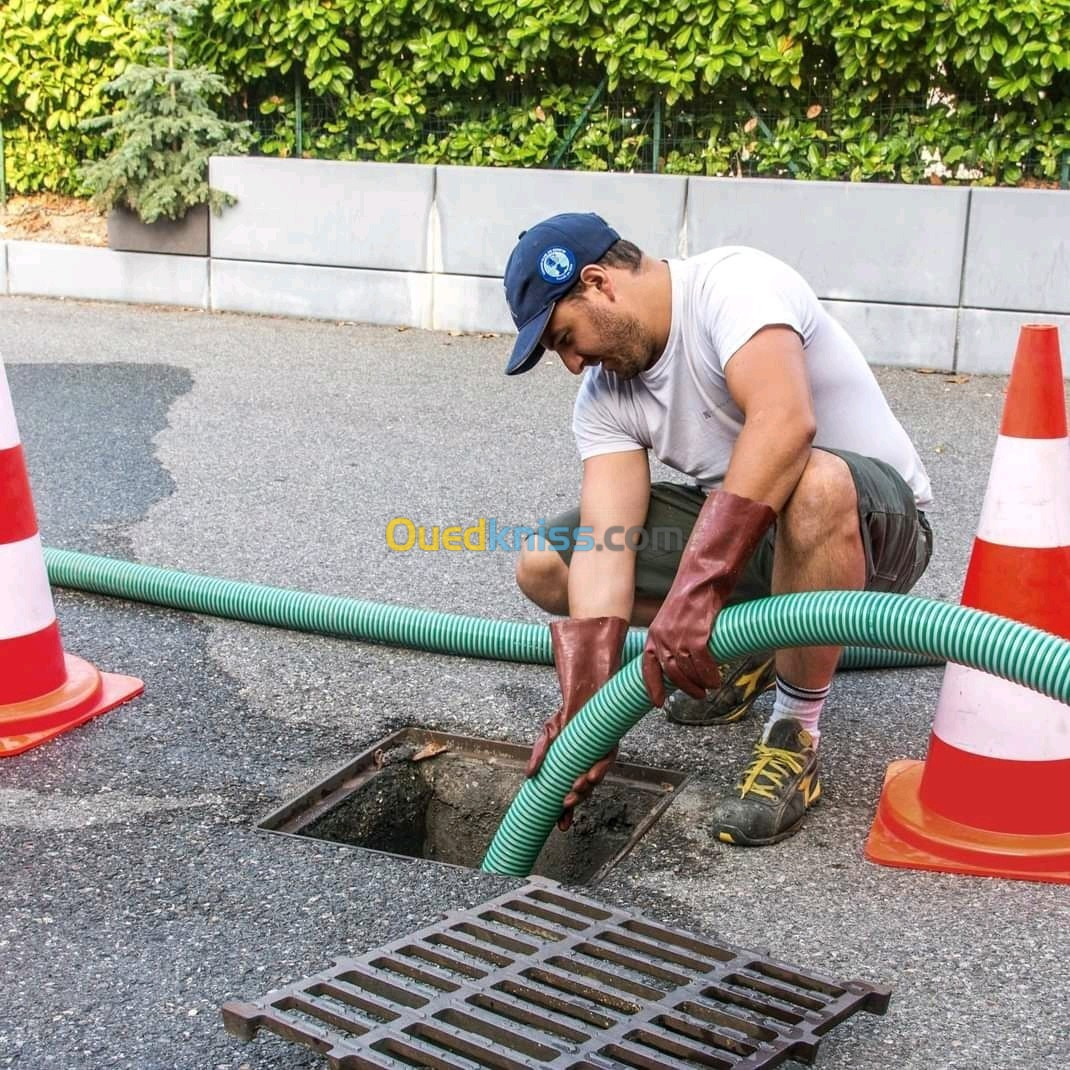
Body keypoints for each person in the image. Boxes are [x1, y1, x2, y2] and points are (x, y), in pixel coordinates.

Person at [505, 211, 933, 846]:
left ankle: (794, 733)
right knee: (548, 560)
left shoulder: (732, 286)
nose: (572, 364)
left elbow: (786, 424)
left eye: (565, 338)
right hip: (751, 540)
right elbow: (605, 543)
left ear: (597, 282)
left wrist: (696, 594)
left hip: (875, 529)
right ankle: (755, 644)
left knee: (811, 480)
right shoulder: (605, 394)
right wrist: (585, 718)